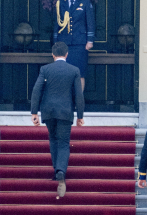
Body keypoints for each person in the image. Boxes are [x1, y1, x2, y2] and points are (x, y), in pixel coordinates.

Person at [31, 41, 86, 198]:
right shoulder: (74, 70)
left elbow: (37, 90)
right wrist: (80, 115)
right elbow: (78, 95)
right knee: (63, 142)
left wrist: (34, 112)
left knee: (53, 140)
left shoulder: (45, 69)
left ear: (53, 54)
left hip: (48, 111)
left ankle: (57, 171)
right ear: (67, 54)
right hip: (65, 112)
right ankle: (60, 170)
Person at [53, 0, 95, 90]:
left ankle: (79, 101)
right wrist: (55, 42)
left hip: (80, 43)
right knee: (64, 73)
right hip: (64, 43)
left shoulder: (85, 2)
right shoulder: (61, 3)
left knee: (80, 73)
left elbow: (90, 22)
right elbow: (57, 23)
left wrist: (90, 41)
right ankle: (66, 101)